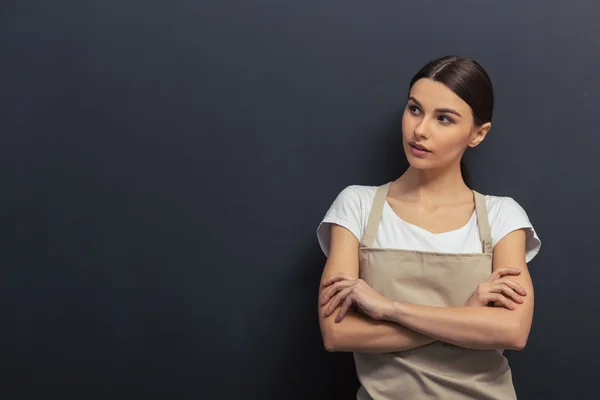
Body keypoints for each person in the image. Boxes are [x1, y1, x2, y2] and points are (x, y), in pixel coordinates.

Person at [315, 55, 541, 399]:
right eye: (415, 109)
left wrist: (390, 309)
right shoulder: (357, 206)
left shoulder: (502, 216)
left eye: (444, 119)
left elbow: (512, 331)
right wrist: (467, 317)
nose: (420, 130)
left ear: (478, 133)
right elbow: (337, 334)